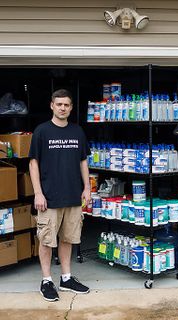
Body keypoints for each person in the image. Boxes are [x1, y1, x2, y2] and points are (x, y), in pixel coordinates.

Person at [29, 89, 91, 302]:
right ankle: (46, 281)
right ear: (52, 106)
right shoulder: (41, 131)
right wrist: (38, 193)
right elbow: (33, 163)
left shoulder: (78, 132)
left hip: (73, 196)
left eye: (67, 105)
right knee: (46, 240)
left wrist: (87, 188)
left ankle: (66, 278)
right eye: (59, 104)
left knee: (68, 238)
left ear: (71, 107)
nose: (63, 108)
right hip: (48, 198)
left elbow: (83, 161)